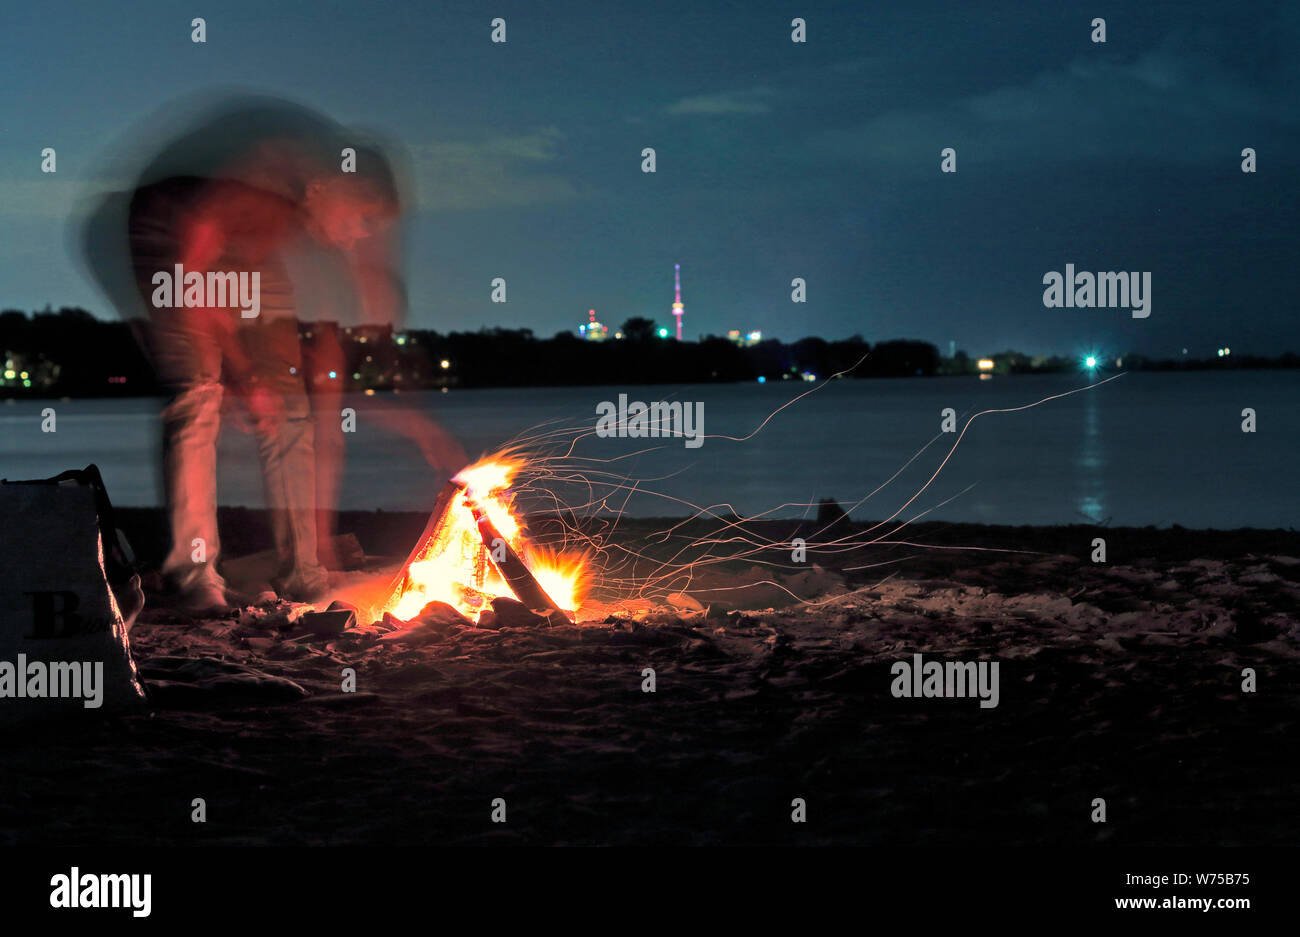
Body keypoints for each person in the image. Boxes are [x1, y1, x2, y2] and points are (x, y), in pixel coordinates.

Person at [86, 97, 466, 611]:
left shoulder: (308, 221)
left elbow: (326, 401)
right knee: (199, 391)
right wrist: (242, 377)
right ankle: (193, 577)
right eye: (363, 218)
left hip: (242, 258)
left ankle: (303, 571)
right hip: (166, 236)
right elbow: (191, 277)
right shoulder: (264, 176)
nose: (362, 235)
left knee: (290, 409)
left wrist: (420, 426)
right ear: (327, 188)